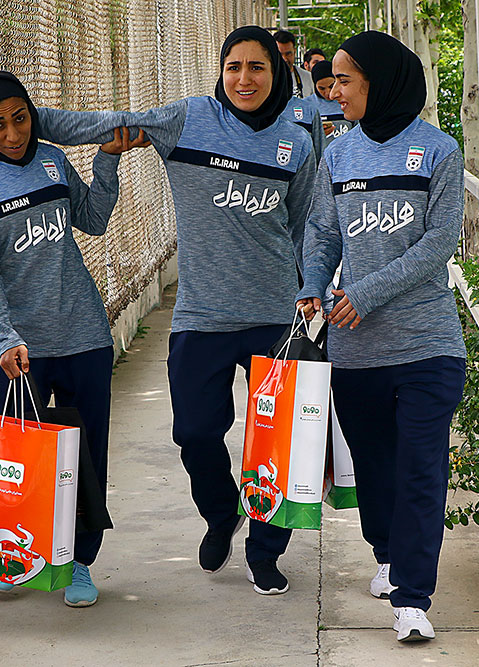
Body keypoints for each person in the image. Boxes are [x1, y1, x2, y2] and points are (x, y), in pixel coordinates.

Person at [106, 25, 316, 596]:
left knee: (276, 443)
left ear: (278, 75)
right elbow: (104, 124)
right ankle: (222, 513)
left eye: (258, 68)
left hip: (276, 316)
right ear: (220, 72)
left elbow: (306, 226)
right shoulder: (188, 121)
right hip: (200, 316)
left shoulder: (296, 142)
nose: (244, 79)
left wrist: (309, 289)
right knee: (196, 433)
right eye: (234, 67)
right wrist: (24, 118)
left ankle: (266, 548)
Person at [0, 70, 148, 608]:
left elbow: (95, 219)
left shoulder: (53, 159)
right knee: (16, 461)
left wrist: (108, 156)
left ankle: (80, 561)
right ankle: (8, 557)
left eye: (20, 118)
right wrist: (3, 332)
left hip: (82, 334)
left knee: (86, 456)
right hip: (18, 350)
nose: (12, 134)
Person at [296, 32, 467, 643]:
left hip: (428, 347)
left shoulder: (439, 151)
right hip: (355, 351)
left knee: (421, 468)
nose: (332, 90)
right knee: (373, 467)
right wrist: (312, 286)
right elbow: (322, 231)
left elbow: (438, 244)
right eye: (333, 80)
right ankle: (388, 554)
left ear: (381, 82)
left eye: (345, 80)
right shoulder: (338, 154)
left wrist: (364, 294)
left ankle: (413, 599)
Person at [274, 29, 313, 98]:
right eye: (280, 55)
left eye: (288, 54)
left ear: (295, 51)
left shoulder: (308, 78)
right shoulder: (266, 78)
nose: (284, 59)